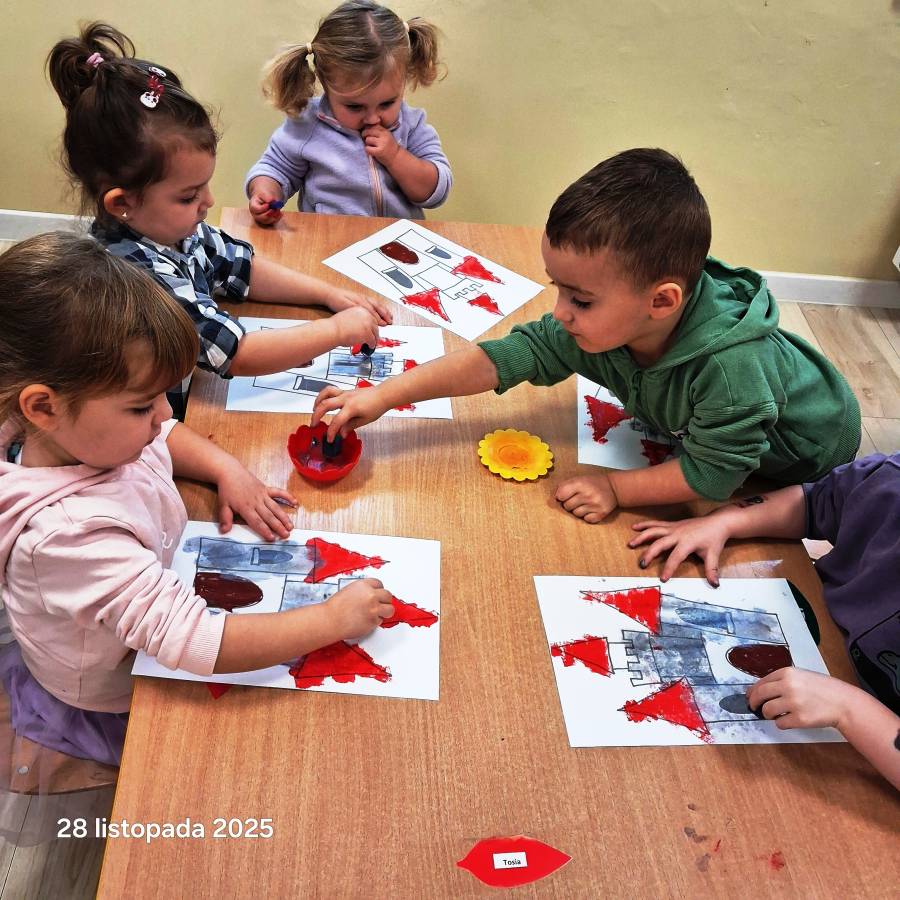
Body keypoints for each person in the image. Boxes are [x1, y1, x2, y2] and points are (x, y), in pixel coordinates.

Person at [0, 233, 393, 766]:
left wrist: (225, 468)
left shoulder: (83, 434)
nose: (165, 414)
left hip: (147, 597)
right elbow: (195, 641)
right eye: (142, 406)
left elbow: (166, 436)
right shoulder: (67, 536)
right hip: (112, 687)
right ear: (43, 408)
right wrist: (331, 621)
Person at [312, 148, 861, 522]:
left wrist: (616, 487)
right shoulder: (610, 322)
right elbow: (507, 356)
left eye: (581, 299)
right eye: (560, 290)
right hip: (715, 428)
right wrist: (384, 395)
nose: (562, 314)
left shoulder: (730, 371)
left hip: (803, 454)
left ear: (661, 302)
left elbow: (713, 474)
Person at [47, 22, 391, 420]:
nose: (208, 202)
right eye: (188, 195)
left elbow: (240, 265)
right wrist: (337, 330)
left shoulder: (168, 230)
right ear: (122, 203)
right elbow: (238, 353)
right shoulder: (134, 279)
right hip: (155, 430)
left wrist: (327, 295)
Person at [628, 453, 900, 789]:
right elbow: (813, 503)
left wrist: (852, 710)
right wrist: (727, 520)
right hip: (820, 641)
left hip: (865, 755)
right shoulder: (891, 482)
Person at [246, 0, 451, 224]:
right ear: (325, 83)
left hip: (396, 240)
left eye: (387, 103)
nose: (372, 118)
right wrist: (265, 192)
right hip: (328, 237)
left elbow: (435, 191)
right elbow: (275, 168)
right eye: (355, 107)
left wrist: (395, 156)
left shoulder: (411, 125)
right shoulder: (309, 124)